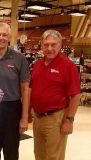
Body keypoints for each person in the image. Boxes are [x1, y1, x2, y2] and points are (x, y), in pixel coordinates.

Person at [29, 29, 80, 160]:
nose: (49, 48)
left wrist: (69, 120)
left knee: (54, 157)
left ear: (60, 45)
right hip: (38, 119)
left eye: (53, 44)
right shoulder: (37, 64)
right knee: (39, 155)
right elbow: (32, 89)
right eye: (46, 45)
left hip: (56, 119)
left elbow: (75, 95)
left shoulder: (68, 65)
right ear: (41, 45)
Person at [0, 22, 30, 160]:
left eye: (4, 35)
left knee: (11, 152)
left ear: (9, 37)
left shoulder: (19, 58)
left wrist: (24, 117)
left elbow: (25, 89)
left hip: (12, 110)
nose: (1, 38)